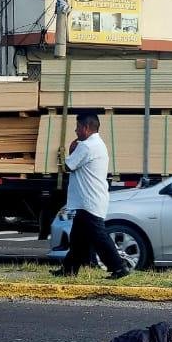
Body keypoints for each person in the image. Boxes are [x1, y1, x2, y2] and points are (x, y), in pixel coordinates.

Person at [52, 112, 130, 279]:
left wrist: (71, 150)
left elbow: (67, 166)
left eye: (78, 127)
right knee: (78, 238)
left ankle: (118, 266)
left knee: (99, 236)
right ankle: (69, 270)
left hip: (89, 201)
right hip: (88, 200)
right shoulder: (97, 144)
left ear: (86, 128)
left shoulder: (86, 146)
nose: (76, 130)